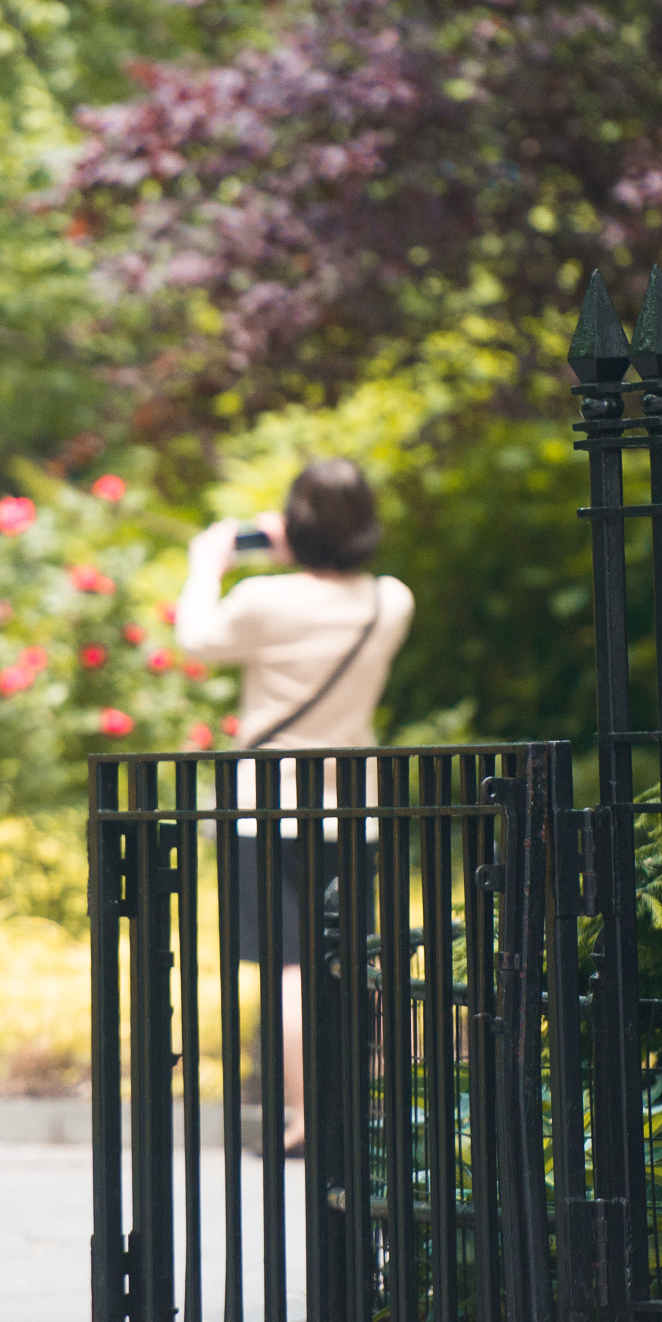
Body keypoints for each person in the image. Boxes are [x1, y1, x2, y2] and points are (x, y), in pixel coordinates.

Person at [178, 459, 416, 1155]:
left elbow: (196, 638)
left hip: (267, 806)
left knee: (290, 967)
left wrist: (206, 564)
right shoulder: (390, 601)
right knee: (350, 959)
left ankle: (306, 1114)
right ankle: (363, 1106)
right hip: (355, 808)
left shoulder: (263, 602)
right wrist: (314, 550)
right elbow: (336, 582)